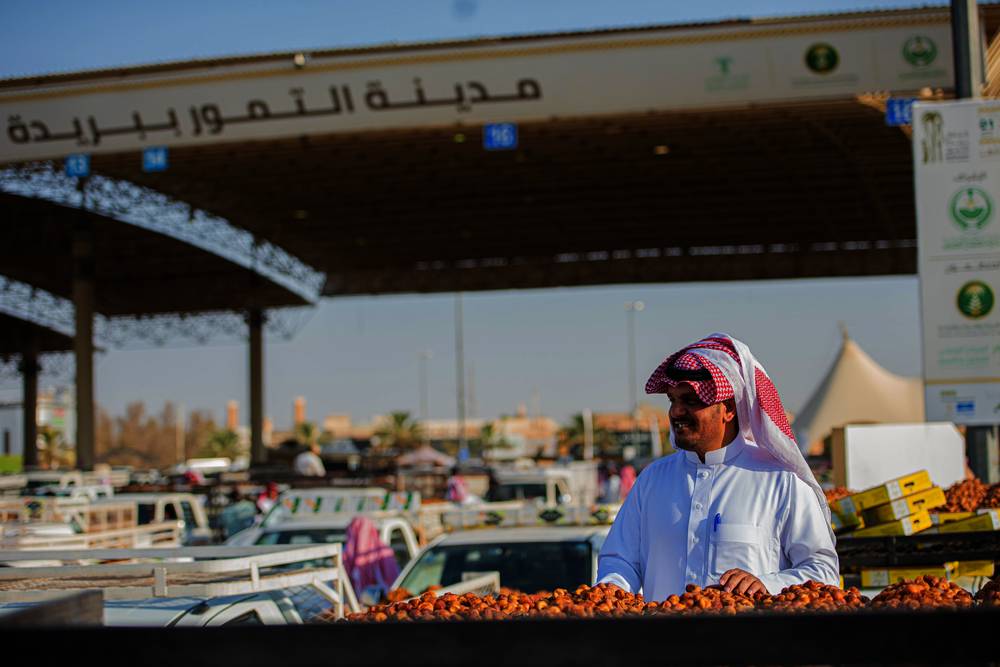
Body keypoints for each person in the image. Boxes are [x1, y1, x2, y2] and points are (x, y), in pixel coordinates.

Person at [597, 333, 838, 600]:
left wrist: (767, 584)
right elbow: (620, 561)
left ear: (729, 409)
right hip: (664, 641)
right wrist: (613, 589)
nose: (676, 412)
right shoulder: (652, 480)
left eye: (690, 401)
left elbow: (823, 571)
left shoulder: (780, 480)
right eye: (673, 401)